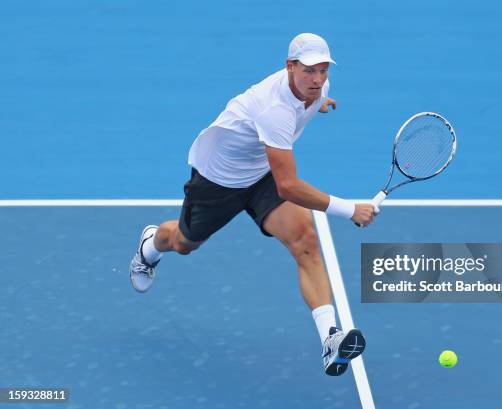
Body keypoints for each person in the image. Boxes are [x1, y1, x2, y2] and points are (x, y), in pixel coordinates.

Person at [128, 33, 377, 376]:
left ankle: (330, 338)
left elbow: (283, 170)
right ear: (289, 67)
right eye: (308, 71)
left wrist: (317, 102)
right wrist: (349, 209)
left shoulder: (317, 86)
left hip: (262, 174)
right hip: (218, 179)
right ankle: (149, 245)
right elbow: (288, 186)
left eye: (322, 70)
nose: (317, 79)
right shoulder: (273, 110)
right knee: (184, 243)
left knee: (305, 242)